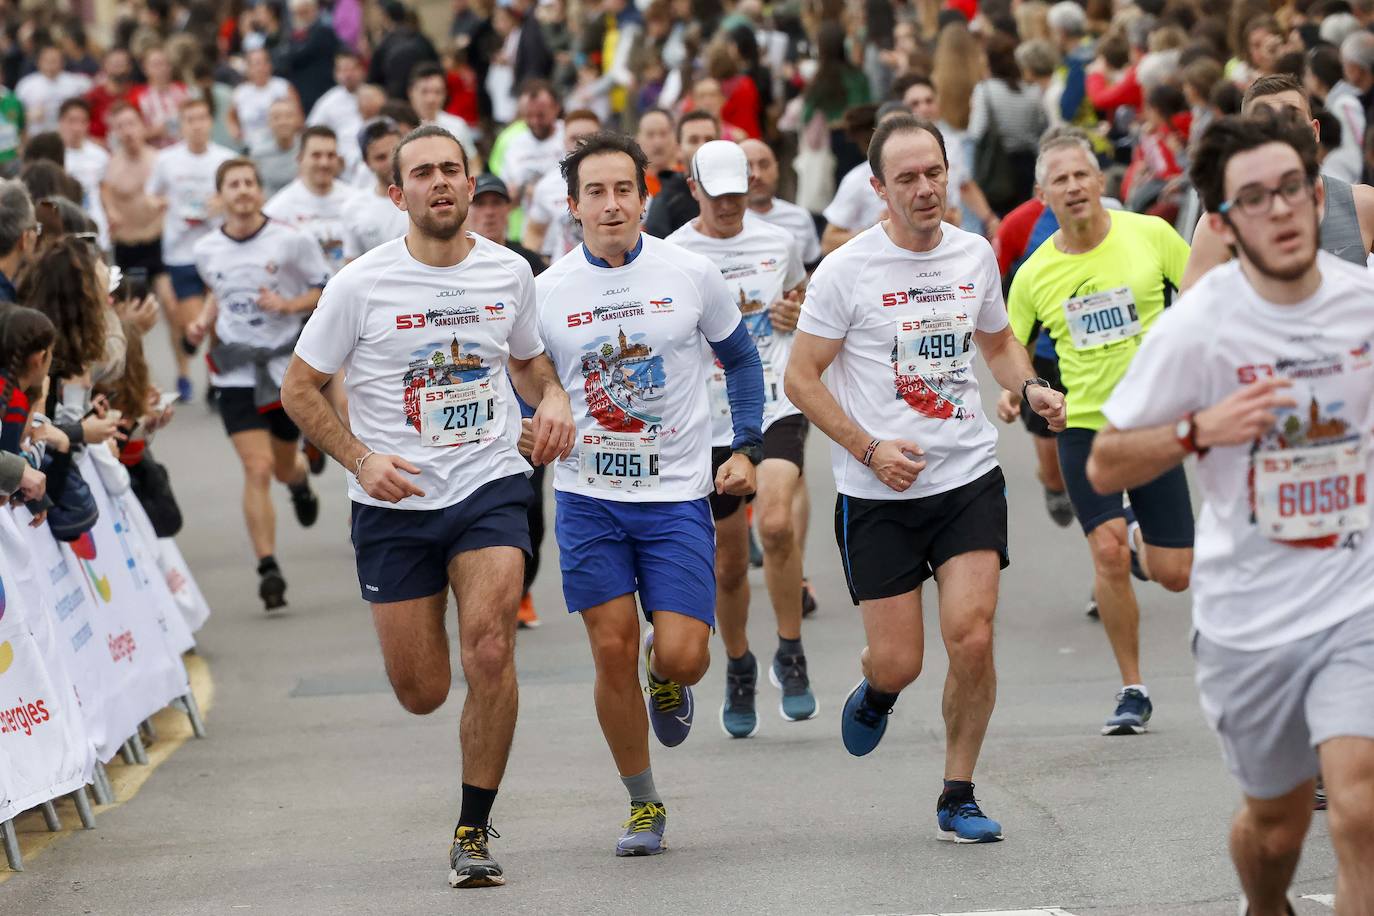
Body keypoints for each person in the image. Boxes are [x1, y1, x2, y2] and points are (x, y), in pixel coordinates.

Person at [1086, 105, 1374, 916]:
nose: (1280, 208)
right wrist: (1197, 429)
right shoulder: (1199, 330)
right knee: (1277, 831)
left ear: (1320, 196)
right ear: (1222, 220)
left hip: (1357, 602)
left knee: (1361, 811)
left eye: (1294, 188)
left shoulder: (1364, 304)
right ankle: (1262, 904)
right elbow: (1108, 458)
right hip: (1250, 618)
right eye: (1256, 197)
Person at [281, 124, 575, 888]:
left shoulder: (509, 272)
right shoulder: (360, 283)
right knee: (423, 691)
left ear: (471, 183)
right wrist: (361, 458)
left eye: (452, 170)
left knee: (490, 647)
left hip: (489, 485)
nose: (441, 182)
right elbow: (298, 387)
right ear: (397, 193)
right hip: (394, 502)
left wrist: (554, 398)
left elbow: (528, 358)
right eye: (423, 173)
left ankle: (472, 830)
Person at [785, 115, 1066, 843]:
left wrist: (1029, 387)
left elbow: (998, 341)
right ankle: (878, 688)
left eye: (933, 173)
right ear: (877, 188)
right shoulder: (847, 272)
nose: (924, 189)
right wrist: (869, 447)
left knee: (972, 637)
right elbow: (800, 378)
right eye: (906, 178)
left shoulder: (972, 254)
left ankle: (957, 792)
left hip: (967, 475)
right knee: (901, 660)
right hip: (879, 493)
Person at [535, 131, 764, 855]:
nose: (611, 205)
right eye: (594, 193)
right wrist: (537, 421)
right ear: (574, 207)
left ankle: (667, 678)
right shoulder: (543, 294)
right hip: (588, 497)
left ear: (644, 195)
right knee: (610, 649)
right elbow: (525, 386)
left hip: (674, 497)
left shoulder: (690, 273)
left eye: (623, 190)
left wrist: (749, 445)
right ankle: (643, 803)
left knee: (688, 654)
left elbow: (742, 359)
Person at [1006, 127, 1194, 735]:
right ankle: (1132, 688)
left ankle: (1146, 545)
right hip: (1085, 430)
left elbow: (1203, 302)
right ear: (1043, 195)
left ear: (1101, 181)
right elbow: (1007, 344)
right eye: (1059, 179)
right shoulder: (1035, 274)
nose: (1073, 186)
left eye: (1081, 174)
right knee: (1105, 552)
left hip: (1153, 424)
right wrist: (1023, 392)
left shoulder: (1152, 235)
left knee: (1174, 573)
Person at [666, 140, 813, 737]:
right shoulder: (672, 253)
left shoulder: (779, 240)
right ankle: (739, 664)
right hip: (706, 416)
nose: (729, 205)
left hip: (773, 399)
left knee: (774, 524)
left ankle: (791, 651)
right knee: (728, 563)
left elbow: (801, 296)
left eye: (738, 193)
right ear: (694, 188)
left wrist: (794, 311)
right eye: (717, 194)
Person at [184, 158, 328, 610]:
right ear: (221, 195)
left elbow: (325, 288)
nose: (243, 191)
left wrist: (288, 305)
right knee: (258, 467)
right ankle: (268, 568)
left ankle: (301, 481)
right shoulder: (207, 248)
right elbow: (218, 292)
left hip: (281, 369)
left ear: (260, 191)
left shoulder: (290, 240)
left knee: (284, 468)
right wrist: (202, 321)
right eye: (233, 184)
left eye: (249, 183)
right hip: (234, 371)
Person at [1183, 75, 1374, 292]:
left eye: (1292, 118)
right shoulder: (1221, 223)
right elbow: (1189, 314)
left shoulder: (1362, 203)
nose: (1280, 132)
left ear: (1315, 131)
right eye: (1265, 123)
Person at [465, 169, 546, 629]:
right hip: (472, 410)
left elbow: (546, 342)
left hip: (526, 412)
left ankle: (521, 590)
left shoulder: (529, 263)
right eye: (483, 204)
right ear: (469, 207)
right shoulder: (450, 266)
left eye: (498, 204)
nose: (491, 212)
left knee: (528, 505)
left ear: (509, 210)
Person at [145, 97, 236, 402]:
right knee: (193, 322)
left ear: (210, 122)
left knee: (217, 323)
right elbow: (151, 197)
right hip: (181, 251)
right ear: (182, 125)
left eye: (201, 118)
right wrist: (161, 204)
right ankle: (190, 363)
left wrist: (223, 203)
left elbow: (239, 194)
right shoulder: (167, 160)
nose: (197, 125)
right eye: (190, 119)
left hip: (219, 250)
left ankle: (213, 379)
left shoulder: (225, 159)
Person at [102, 103, 167, 324]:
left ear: (142, 126)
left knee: (170, 303)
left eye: (131, 123)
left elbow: (173, 194)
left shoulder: (160, 160)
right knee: (129, 315)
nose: (127, 130)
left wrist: (161, 203)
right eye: (120, 126)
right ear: (115, 132)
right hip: (126, 245)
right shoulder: (111, 164)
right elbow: (106, 193)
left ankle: (182, 359)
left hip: (156, 240)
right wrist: (111, 212)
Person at [263, 125, 356, 277]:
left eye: (330, 155)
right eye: (316, 155)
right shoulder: (277, 209)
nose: (324, 163)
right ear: (300, 159)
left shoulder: (355, 200)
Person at [521, 108, 600, 262]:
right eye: (574, 138)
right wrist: (534, 267)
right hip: (565, 272)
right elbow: (534, 232)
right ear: (563, 141)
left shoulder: (621, 180)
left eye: (590, 137)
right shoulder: (548, 186)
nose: (582, 143)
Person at [740, 138, 821, 268]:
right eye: (747, 167)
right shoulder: (726, 223)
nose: (757, 175)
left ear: (776, 168)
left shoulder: (799, 217)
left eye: (764, 164)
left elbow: (812, 268)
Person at [643, 110, 718, 238]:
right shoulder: (666, 201)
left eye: (709, 139)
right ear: (678, 149)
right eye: (694, 140)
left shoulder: (739, 189)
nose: (702, 146)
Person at [342, 118, 407, 261]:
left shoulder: (428, 195)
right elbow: (352, 266)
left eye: (395, 152)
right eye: (381, 157)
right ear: (367, 163)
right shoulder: (353, 208)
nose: (391, 162)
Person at [500, 79, 563, 209]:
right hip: (527, 225)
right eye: (529, 115)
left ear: (556, 108)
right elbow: (507, 197)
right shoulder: (514, 144)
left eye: (541, 115)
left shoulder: (570, 136)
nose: (535, 121)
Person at [57, 99, 109, 247]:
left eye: (83, 121)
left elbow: (105, 190)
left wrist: (111, 214)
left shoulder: (100, 155)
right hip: (66, 230)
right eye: (71, 121)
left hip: (97, 229)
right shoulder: (54, 156)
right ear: (60, 122)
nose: (77, 127)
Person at [307, 51, 366, 175]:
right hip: (342, 167)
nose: (348, 75)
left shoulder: (375, 95)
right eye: (343, 70)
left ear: (362, 70)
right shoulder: (328, 102)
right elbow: (312, 131)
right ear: (336, 74)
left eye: (352, 69)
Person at [408, 62, 479, 164]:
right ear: (410, 92)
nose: (431, 99)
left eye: (437, 92)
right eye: (424, 91)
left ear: (445, 94)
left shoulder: (457, 125)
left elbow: (473, 162)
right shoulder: (400, 126)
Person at [231, 48, 299, 153]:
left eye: (264, 63)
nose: (260, 68)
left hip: (282, 148)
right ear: (248, 68)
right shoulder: (240, 93)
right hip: (253, 149)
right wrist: (236, 131)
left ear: (270, 65)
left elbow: (298, 118)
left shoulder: (283, 87)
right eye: (255, 64)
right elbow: (231, 116)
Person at [15, 44, 91, 136]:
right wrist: (27, 116)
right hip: (36, 136)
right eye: (46, 60)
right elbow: (14, 115)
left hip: (66, 136)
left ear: (62, 63)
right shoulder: (26, 84)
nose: (50, 65)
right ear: (39, 62)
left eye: (54, 61)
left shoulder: (75, 83)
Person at [281, 0, 339, 116]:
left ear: (314, 10)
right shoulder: (291, 37)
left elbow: (296, 57)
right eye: (297, 13)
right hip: (300, 96)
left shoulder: (323, 32)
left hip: (321, 92)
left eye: (304, 12)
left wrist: (285, 55)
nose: (301, 17)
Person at [251, 99, 304, 197]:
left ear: (297, 119)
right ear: (268, 122)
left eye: (288, 116)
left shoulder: (307, 148)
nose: (283, 122)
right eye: (276, 117)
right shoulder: (258, 153)